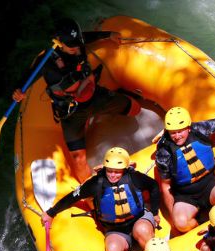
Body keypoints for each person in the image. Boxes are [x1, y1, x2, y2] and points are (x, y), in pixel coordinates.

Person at [12, 18, 157, 180]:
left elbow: (86, 38)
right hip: (71, 112)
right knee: (78, 159)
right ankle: (90, 195)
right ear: (58, 42)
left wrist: (108, 34)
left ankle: (107, 107)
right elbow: (26, 79)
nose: (75, 47)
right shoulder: (46, 62)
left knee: (135, 108)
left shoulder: (77, 44)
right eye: (71, 45)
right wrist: (18, 91)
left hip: (95, 97)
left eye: (77, 43)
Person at [41, 147, 160, 251]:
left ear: (124, 169)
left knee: (142, 230)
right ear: (105, 168)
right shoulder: (95, 183)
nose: (113, 175)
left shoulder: (134, 177)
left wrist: (154, 213)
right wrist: (51, 212)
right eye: (109, 170)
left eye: (117, 171)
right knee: (112, 249)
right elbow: (73, 197)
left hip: (139, 219)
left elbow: (154, 186)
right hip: (115, 230)